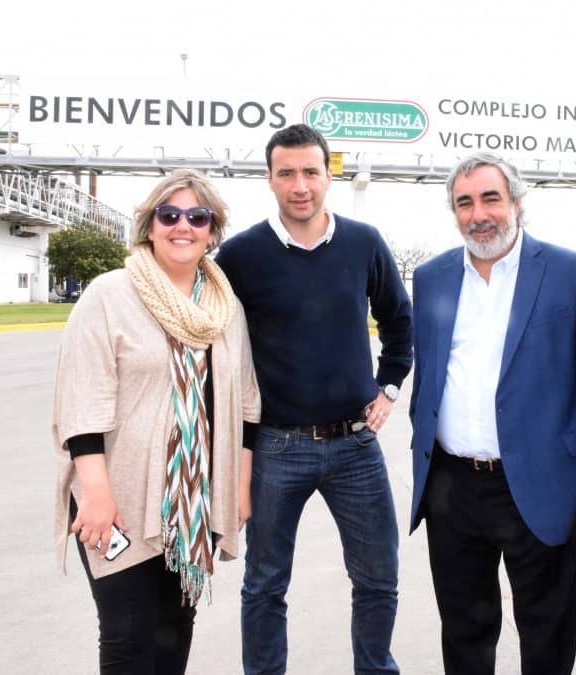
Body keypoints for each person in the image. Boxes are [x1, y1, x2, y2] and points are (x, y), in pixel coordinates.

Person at [213, 123, 412, 675]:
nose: (299, 185)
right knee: (265, 584)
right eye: (287, 173)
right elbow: (211, 338)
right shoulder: (241, 255)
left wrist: (389, 386)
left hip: (356, 445)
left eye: (310, 172)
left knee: (378, 578)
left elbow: (399, 320)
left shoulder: (364, 243)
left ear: (329, 176)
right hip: (277, 447)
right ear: (270, 179)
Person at [52, 169, 260, 673]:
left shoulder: (224, 308)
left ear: (212, 231)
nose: (182, 226)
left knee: (174, 630)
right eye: (169, 215)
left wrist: (240, 488)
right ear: (149, 226)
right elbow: (82, 402)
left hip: (194, 502)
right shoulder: (109, 295)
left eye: (197, 217)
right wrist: (97, 496)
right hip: (119, 497)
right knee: (128, 636)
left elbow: (246, 403)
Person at [408, 152, 576, 674]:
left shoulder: (570, 272)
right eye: (464, 203)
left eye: (490, 198)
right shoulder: (432, 277)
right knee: (464, 630)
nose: (478, 215)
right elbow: (429, 373)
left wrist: (575, 459)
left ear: (516, 201)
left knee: (547, 632)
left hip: (540, 481)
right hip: (451, 487)